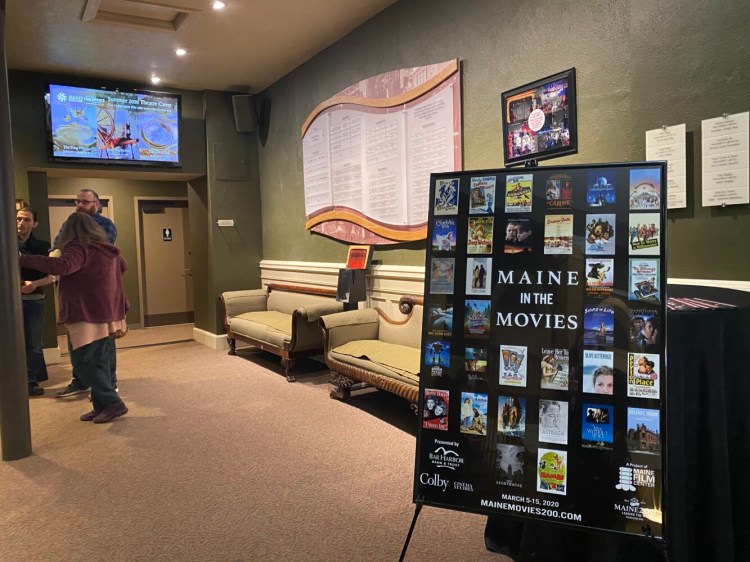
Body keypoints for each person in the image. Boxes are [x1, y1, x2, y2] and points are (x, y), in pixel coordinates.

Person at [20, 211, 129, 423]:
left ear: (69, 230)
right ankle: (101, 406)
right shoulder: (107, 250)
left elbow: (63, 266)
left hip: (86, 313)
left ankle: (113, 403)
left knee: (83, 362)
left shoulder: (79, 247)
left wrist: (23, 259)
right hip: (107, 312)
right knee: (99, 361)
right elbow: (122, 266)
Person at [54, 189, 119, 398]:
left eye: (85, 201)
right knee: (77, 340)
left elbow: (97, 252)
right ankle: (81, 381)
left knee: (103, 341)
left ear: (97, 204)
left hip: (97, 293)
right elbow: (58, 246)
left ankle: (109, 383)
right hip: (75, 293)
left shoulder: (106, 225)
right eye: (78, 201)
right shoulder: (69, 224)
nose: (80, 205)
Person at [17, 207, 56, 396]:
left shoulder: (42, 246)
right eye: (18, 219)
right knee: (11, 341)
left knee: (33, 342)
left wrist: (34, 284)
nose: (21, 223)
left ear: (34, 223)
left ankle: (30, 381)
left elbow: (52, 277)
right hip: (10, 304)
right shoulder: (6, 244)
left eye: (26, 220)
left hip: (34, 300)